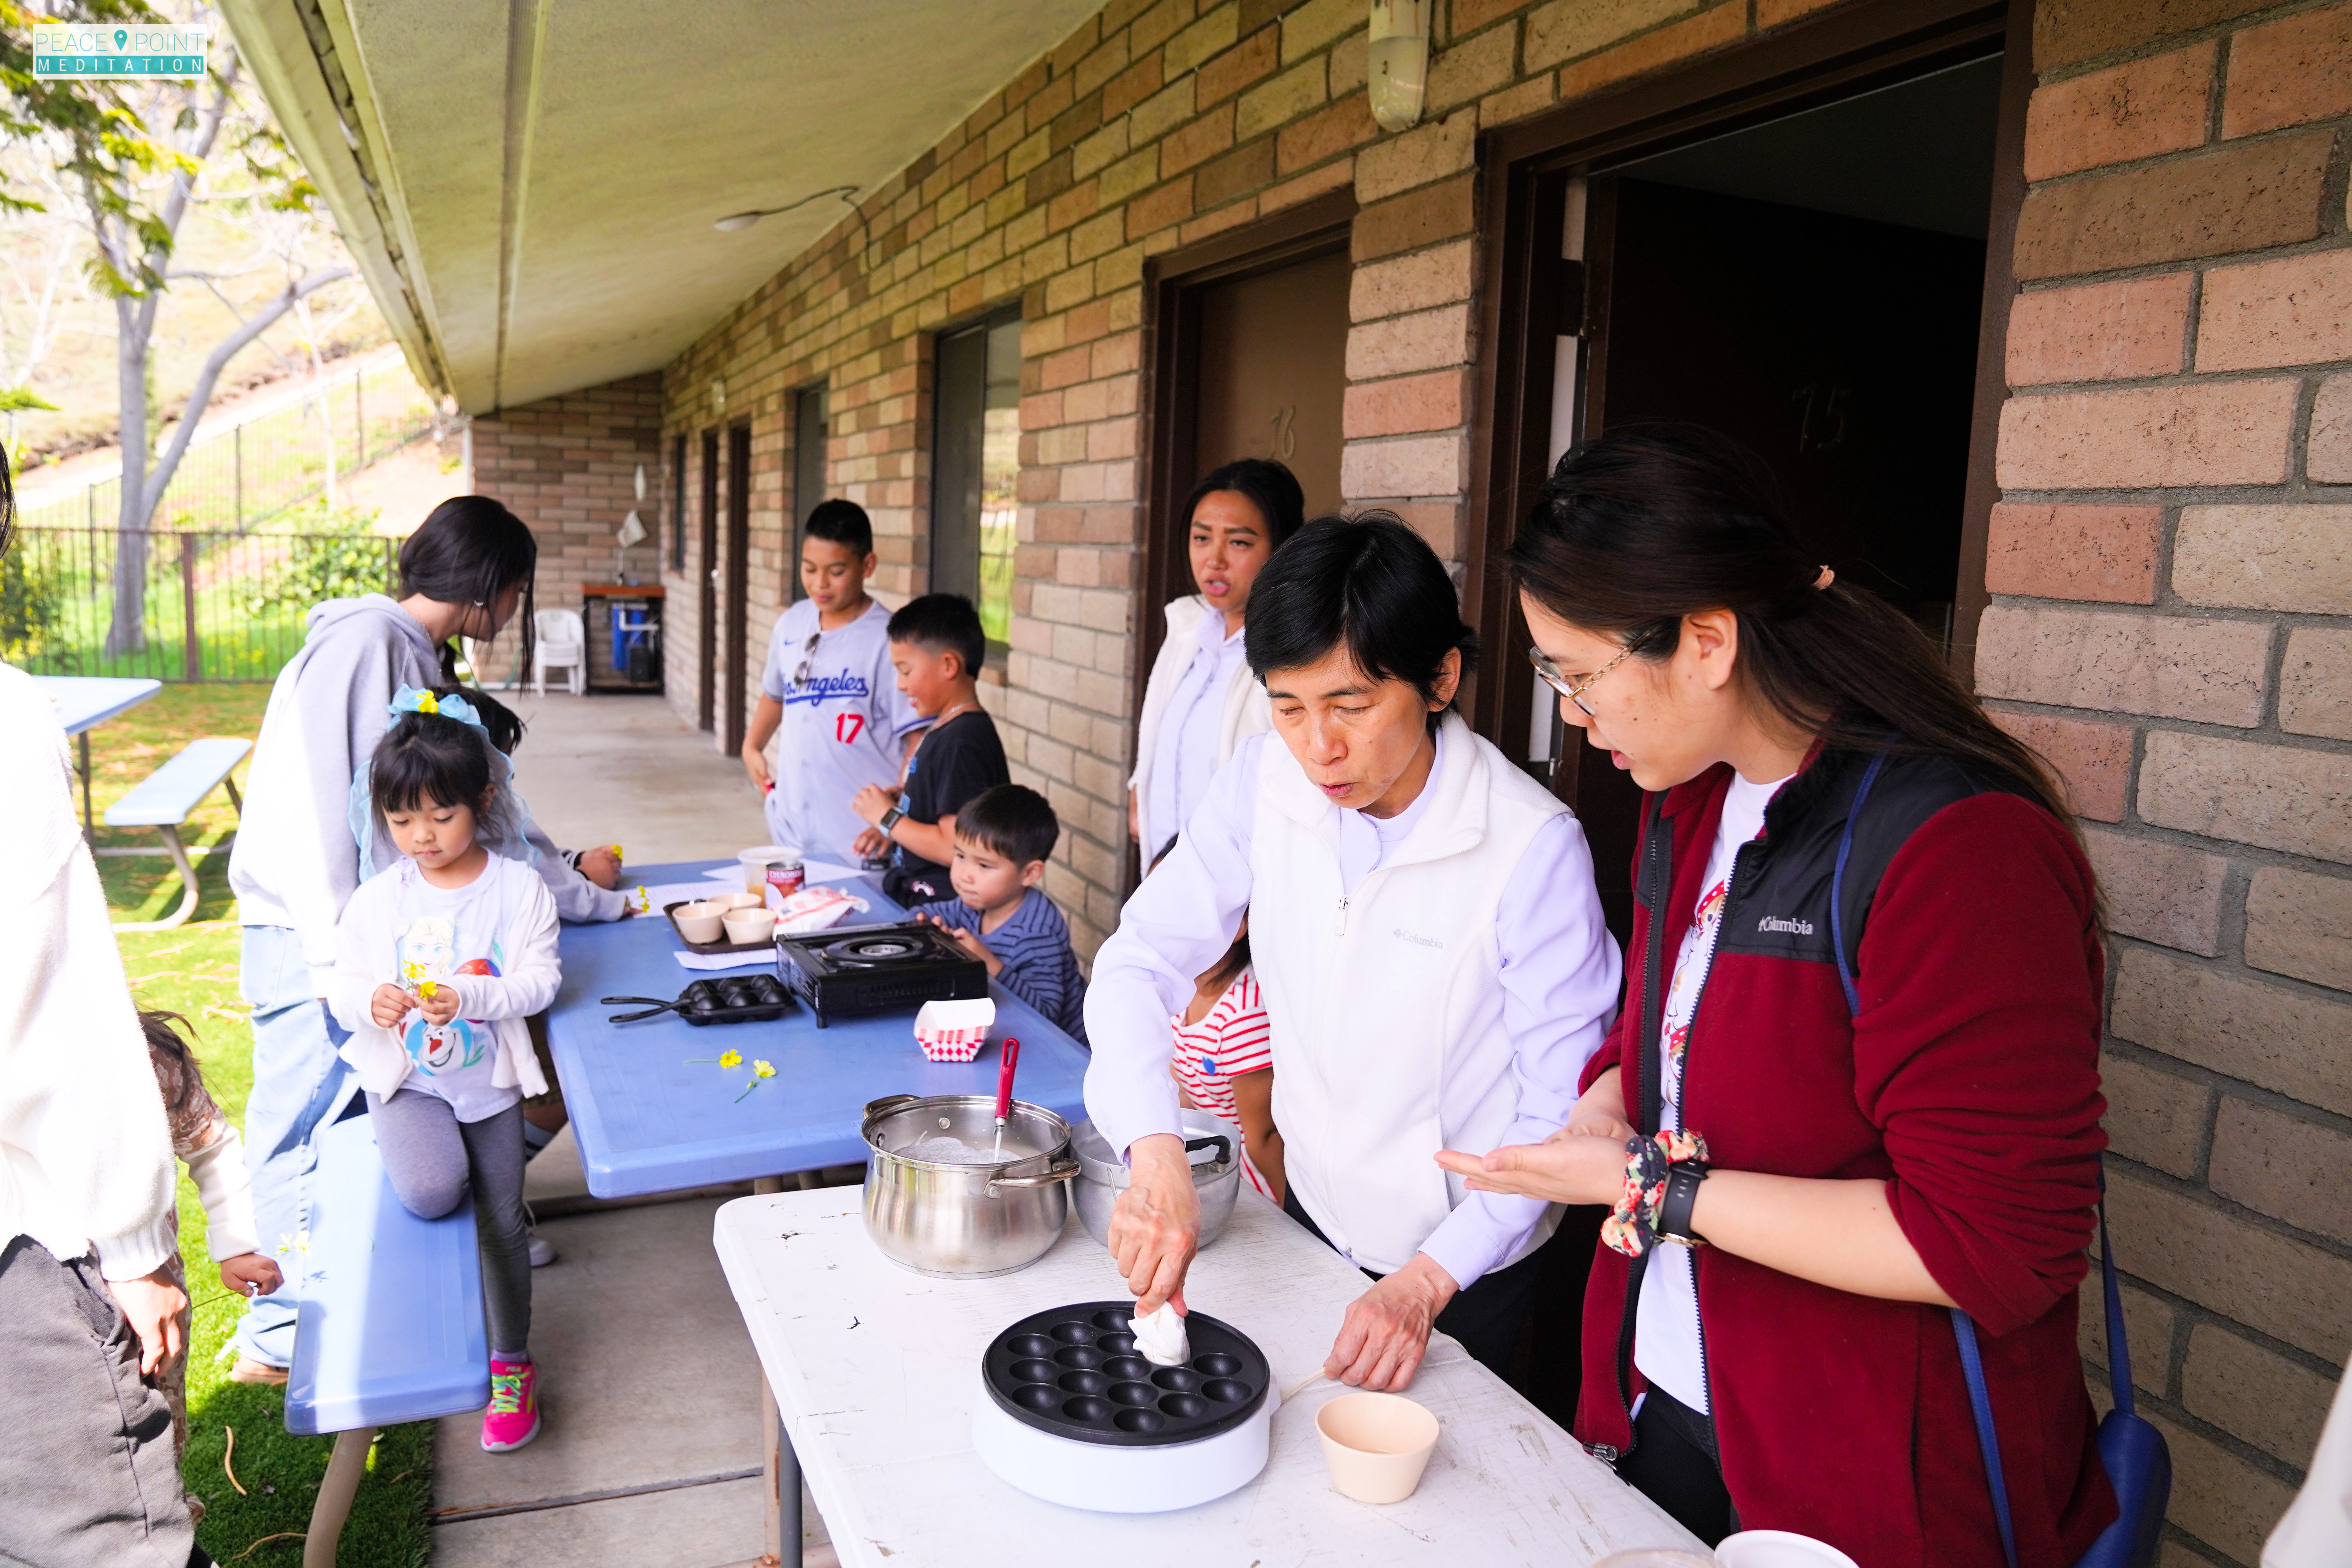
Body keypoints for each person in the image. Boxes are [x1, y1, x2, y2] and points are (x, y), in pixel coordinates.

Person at [1433, 426, 2113, 1563]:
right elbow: (1674, 1020)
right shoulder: (1690, 800)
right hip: (1665, 1402)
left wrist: (1654, 1188)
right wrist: (1610, 1094)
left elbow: (1994, 1244)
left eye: (1578, 673)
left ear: (1706, 641)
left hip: (1864, 1470)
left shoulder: (1958, 847)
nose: (1569, 713)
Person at [1085, 512, 1621, 1391]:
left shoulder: (1530, 844)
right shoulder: (1266, 776)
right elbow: (1140, 958)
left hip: (1461, 1261)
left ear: (1441, 676)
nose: (1318, 747)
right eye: (1289, 706)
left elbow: (1556, 1116)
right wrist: (1156, 1158)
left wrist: (1425, 1282)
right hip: (1313, 1213)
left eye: (1352, 704)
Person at [225, 495, 542, 1383]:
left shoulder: (402, 651)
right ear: (490, 585)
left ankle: (407, 1275)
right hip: (310, 929)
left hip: (355, 933)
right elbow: (325, 806)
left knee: (380, 1106)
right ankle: (277, 1336)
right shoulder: (369, 644)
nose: (512, 611)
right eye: (514, 590)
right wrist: (341, 958)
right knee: (304, 1115)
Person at [0, 454, 204, 1567]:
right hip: (22, 1249)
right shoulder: (4, 713)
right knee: (103, 1541)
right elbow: (41, 993)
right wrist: (132, 1239)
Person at [328, 687, 560, 1454]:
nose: (420, 836)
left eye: (440, 815)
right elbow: (340, 984)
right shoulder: (377, 899)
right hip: (411, 1083)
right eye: (400, 821)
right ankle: (430, 1311)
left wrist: (471, 993)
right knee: (433, 1191)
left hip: (487, 1086)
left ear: (483, 799)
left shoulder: (519, 888)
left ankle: (511, 1364)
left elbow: (539, 982)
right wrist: (373, 997)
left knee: (501, 1225)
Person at [140, 1011, 282, 1522]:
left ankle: (164, 1511)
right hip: (33, 1305)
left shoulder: (143, 1059)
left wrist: (237, 1244)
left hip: (150, 1299)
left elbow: (211, 1143)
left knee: (154, 1419)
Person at [1129, 459, 1305, 857]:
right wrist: (1140, 787)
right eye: (1202, 537)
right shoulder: (1187, 627)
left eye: (1239, 542)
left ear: (1281, 547)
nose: (1215, 559)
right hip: (1163, 867)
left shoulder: (1291, 653)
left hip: (1237, 888)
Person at [741, 501, 926, 864]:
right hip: (792, 829)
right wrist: (752, 747)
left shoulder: (889, 640)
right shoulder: (791, 624)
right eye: (809, 569)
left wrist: (895, 820)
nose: (819, 583)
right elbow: (776, 694)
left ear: (867, 565)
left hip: (860, 839)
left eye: (836, 571)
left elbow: (917, 742)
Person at [853, 593, 1009, 904]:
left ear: (949, 665)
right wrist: (904, 808)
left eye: (906, 671)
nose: (900, 684)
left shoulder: (963, 741)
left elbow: (956, 848)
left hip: (941, 912)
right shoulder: (946, 728)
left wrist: (887, 819)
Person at [906, 783, 1088, 1042]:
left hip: (1067, 1054)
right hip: (1007, 1034)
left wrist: (988, 964)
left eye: (983, 865)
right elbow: (923, 913)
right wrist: (923, 927)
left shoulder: (1037, 931)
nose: (965, 875)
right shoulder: (974, 905)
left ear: (1029, 874)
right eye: (960, 856)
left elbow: (1046, 1015)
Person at [1161, 890, 1282, 1202]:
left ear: (1238, 926)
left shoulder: (1245, 1013)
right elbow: (1184, 1095)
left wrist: (1291, 1219)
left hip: (1254, 1187)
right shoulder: (1181, 988)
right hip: (1214, 1168)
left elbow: (1264, 1138)